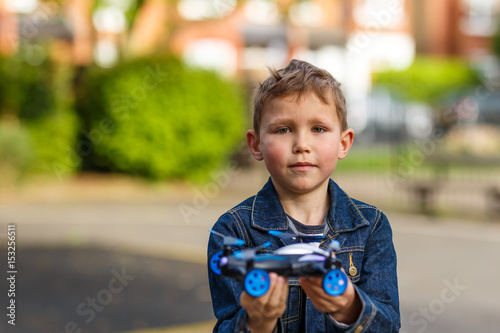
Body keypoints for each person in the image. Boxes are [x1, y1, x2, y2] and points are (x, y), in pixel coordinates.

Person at [207, 59, 400, 333]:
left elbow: (389, 326)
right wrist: (258, 322)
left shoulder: (371, 227)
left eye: (318, 129)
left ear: (343, 143)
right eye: (283, 129)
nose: (302, 145)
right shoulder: (232, 229)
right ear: (256, 144)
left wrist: (349, 307)